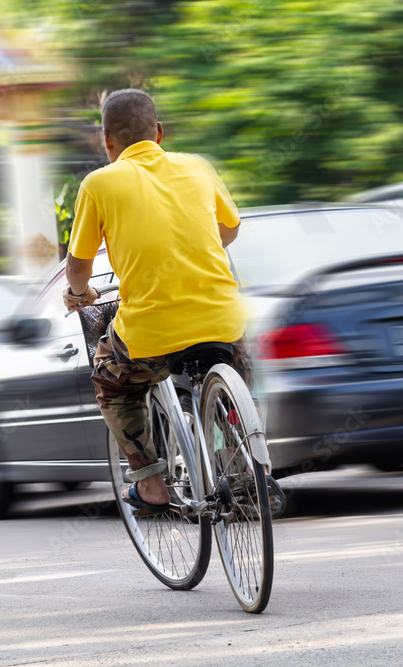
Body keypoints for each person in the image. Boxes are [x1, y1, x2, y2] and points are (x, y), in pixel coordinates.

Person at [63, 88, 252, 513]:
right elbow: (230, 228)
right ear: (160, 132)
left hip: (151, 334)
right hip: (224, 320)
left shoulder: (99, 183)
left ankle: (149, 483)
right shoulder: (198, 167)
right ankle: (243, 448)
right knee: (237, 359)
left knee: (111, 382)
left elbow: (78, 267)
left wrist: (80, 294)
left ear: (107, 142)